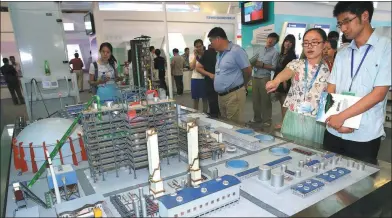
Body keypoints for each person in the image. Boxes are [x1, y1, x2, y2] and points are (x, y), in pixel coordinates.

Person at [323, 2, 391, 165]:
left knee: (359, 186)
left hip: (364, 134)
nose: (343, 28)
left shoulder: (386, 48)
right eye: (340, 24)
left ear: (365, 16)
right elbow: (331, 87)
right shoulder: (343, 53)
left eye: (347, 21)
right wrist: (334, 119)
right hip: (333, 130)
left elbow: (378, 94)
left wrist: (343, 118)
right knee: (327, 176)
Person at [266, 28, 331, 145]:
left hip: (315, 121)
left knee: (311, 155)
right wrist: (276, 81)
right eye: (306, 43)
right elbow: (287, 71)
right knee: (289, 150)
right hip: (293, 116)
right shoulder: (297, 63)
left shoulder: (330, 69)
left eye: (315, 42)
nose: (310, 46)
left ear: (324, 44)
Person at [208, 27, 252, 124]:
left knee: (234, 126)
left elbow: (248, 71)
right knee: (225, 124)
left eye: (211, 41)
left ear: (218, 39)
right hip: (221, 96)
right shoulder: (219, 54)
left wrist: (243, 86)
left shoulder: (236, 51)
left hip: (234, 94)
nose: (211, 44)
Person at [249, 32, 279, 127]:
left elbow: (274, 67)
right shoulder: (260, 49)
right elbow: (253, 60)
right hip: (255, 76)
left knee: (265, 100)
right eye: (269, 38)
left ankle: (267, 119)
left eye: (273, 39)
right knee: (255, 99)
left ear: (275, 42)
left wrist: (262, 65)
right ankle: (257, 118)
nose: (270, 40)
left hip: (265, 78)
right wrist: (252, 63)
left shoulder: (275, 52)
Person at [273, 34, 297, 129]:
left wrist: (284, 82)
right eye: (287, 41)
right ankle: (284, 122)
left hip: (285, 83)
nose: (288, 44)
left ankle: (284, 124)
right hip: (278, 80)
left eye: (290, 42)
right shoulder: (281, 54)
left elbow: (289, 70)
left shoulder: (292, 55)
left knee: (284, 104)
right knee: (281, 103)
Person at [196, 44, 219, 118]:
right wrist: (210, 74)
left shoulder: (208, 53)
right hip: (215, 81)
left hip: (211, 81)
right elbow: (198, 67)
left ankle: (215, 116)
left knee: (213, 102)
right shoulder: (211, 53)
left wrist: (209, 74)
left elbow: (198, 67)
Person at [190, 39, 208, 113]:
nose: (198, 48)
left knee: (205, 99)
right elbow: (191, 67)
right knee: (196, 99)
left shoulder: (206, 55)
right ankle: (195, 114)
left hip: (204, 79)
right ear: (194, 47)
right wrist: (195, 56)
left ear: (202, 45)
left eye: (200, 46)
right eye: (196, 46)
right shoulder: (192, 55)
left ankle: (205, 114)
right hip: (195, 79)